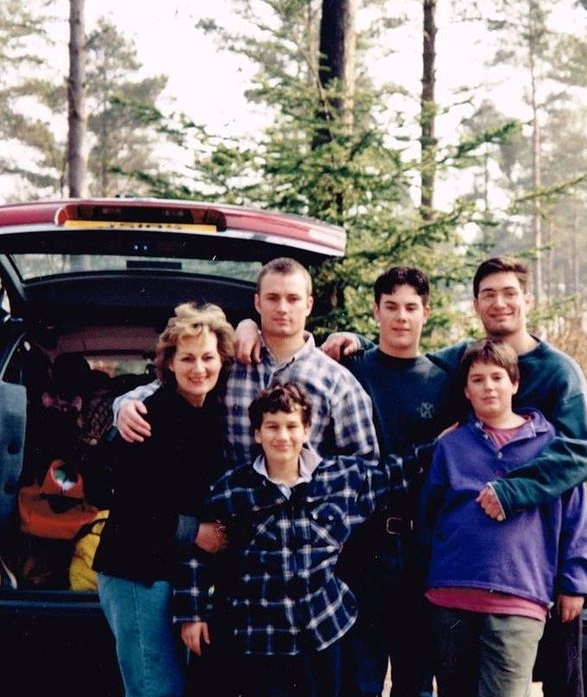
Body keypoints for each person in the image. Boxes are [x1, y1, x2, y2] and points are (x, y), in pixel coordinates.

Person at [320, 256, 587, 697]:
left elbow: (582, 454)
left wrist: (515, 494)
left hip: (534, 560)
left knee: (559, 677)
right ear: (475, 305)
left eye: (509, 293)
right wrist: (354, 340)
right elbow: (407, 353)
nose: (500, 303)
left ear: (527, 300)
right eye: (488, 294)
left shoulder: (558, 371)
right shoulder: (464, 358)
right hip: (455, 571)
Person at [234, 266, 460, 697]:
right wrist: (245, 325)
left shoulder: (443, 381)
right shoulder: (351, 366)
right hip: (364, 548)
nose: (401, 317)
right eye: (390, 306)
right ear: (375, 310)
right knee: (359, 676)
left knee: (416, 677)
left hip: (427, 547)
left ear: (426, 313)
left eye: (411, 307)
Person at [173, 382, 431, 697]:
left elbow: (396, 474)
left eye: (292, 426)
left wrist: (444, 444)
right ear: (257, 434)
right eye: (272, 427)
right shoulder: (232, 490)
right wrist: (192, 614)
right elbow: (200, 555)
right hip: (260, 636)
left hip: (324, 630)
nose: (283, 436)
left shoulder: (341, 477)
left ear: (306, 430)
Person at [419, 338, 587, 697]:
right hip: (450, 600)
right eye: (478, 379)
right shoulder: (450, 446)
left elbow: (575, 519)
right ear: (466, 391)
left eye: (497, 377)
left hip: (517, 599)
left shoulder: (550, 446)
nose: (488, 387)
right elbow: (428, 516)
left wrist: (575, 582)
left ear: (514, 383)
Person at [92, 302, 235, 697]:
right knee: (155, 689)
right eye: (187, 358)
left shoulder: (205, 413)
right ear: (169, 363)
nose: (199, 368)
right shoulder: (149, 416)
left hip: (169, 572)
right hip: (135, 574)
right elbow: (124, 505)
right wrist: (196, 533)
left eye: (208, 357)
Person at [113, 256, 379, 465]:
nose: (283, 308)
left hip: (303, 528)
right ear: (257, 302)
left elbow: (364, 467)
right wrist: (125, 405)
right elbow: (175, 385)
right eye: (272, 298)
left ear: (308, 305)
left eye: (293, 299)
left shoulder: (337, 383)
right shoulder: (230, 364)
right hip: (230, 519)